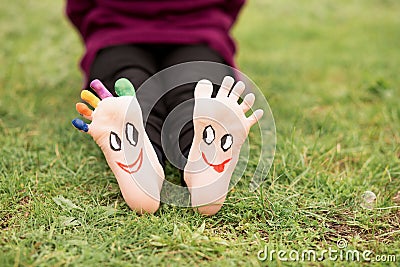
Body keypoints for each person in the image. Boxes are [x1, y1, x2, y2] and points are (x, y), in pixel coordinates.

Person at [66, 0, 263, 215]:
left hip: (117, 32)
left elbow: (78, 7)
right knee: (196, 88)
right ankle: (203, 162)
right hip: (198, 30)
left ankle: (141, 154)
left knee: (129, 86)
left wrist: (96, 31)